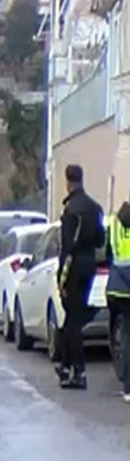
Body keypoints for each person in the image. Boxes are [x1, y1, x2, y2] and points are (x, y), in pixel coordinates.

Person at [57, 164, 105, 390]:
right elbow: (99, 240)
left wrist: (61, 278)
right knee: (72, 318)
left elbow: (67, 248)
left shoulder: (71, 211)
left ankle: (79, 371)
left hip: (74, 267)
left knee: (73, 321)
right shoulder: (94, 208)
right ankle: (65, 365)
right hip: (90, 266)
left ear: (68, 182)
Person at [108, 198, 130, 402]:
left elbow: (109, 251)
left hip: (119, 286)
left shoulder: (115, 222)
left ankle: (128, 388)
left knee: (125, 336)